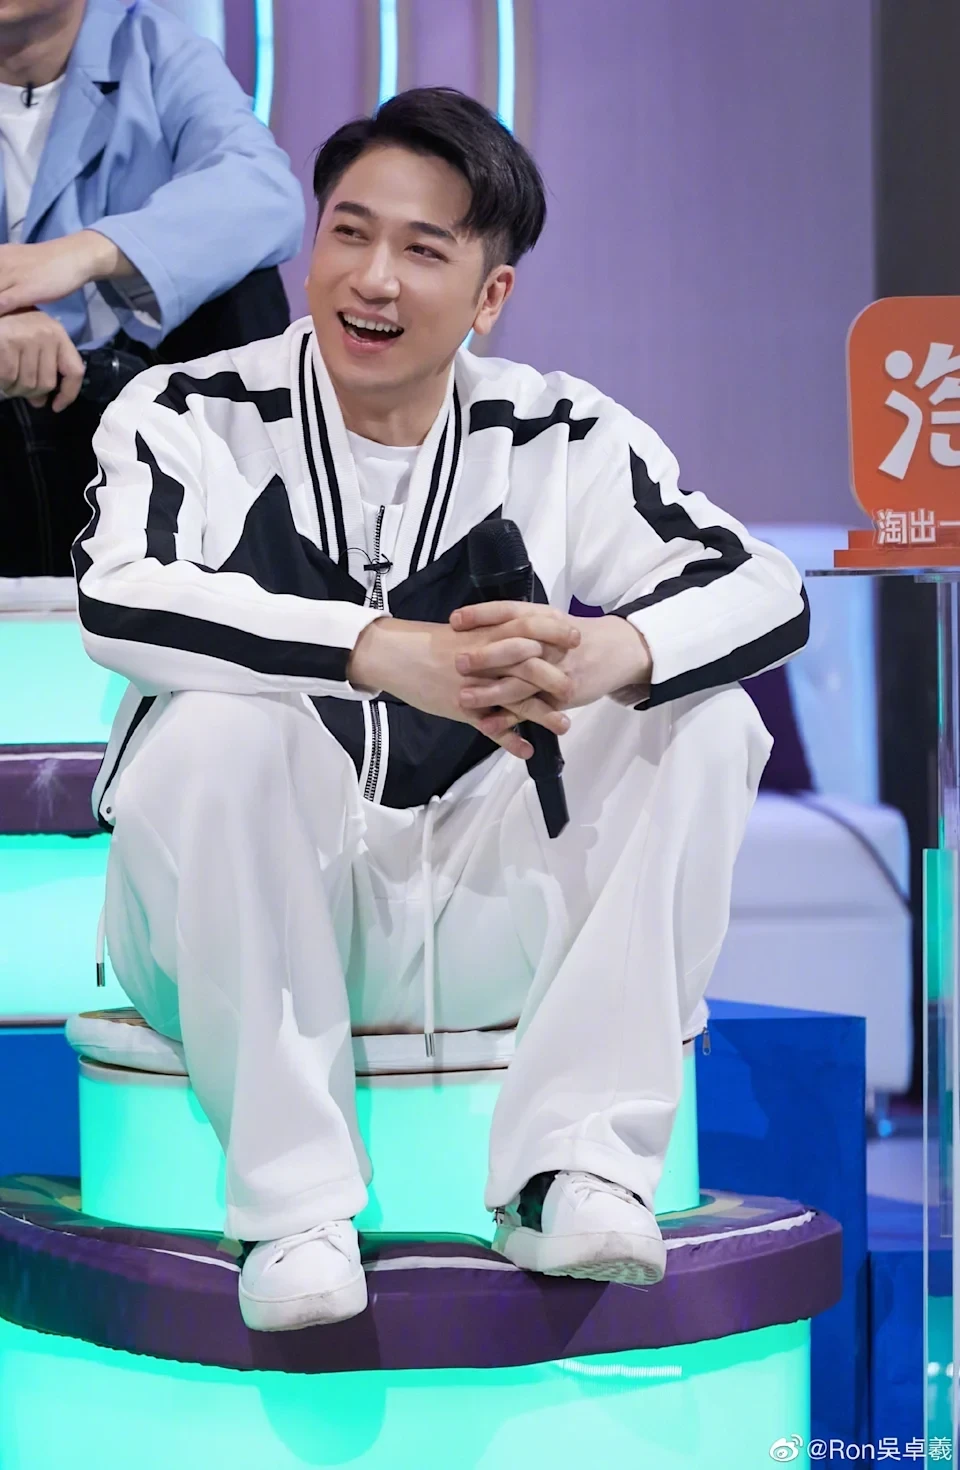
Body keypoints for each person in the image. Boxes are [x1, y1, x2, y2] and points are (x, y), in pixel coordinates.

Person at [73, 87, 808, 1333]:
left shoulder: (558, 427)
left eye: (423, 250)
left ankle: (577, 1168)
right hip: (227, 908)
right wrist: (373, 651)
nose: (372, 278)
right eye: (349, 233)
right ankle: (292, 1207)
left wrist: (611, 649)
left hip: (470, 902)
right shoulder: (189, 412)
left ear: (489, 295)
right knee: (216, 723)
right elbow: (118, 598)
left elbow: (765, 587)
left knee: (704, 713)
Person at [0, 0, 304, 576]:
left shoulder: (152, 46)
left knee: (246, 286)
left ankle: (253, 571)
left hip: (133, 389)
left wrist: (85, 253)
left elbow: (265, 193)